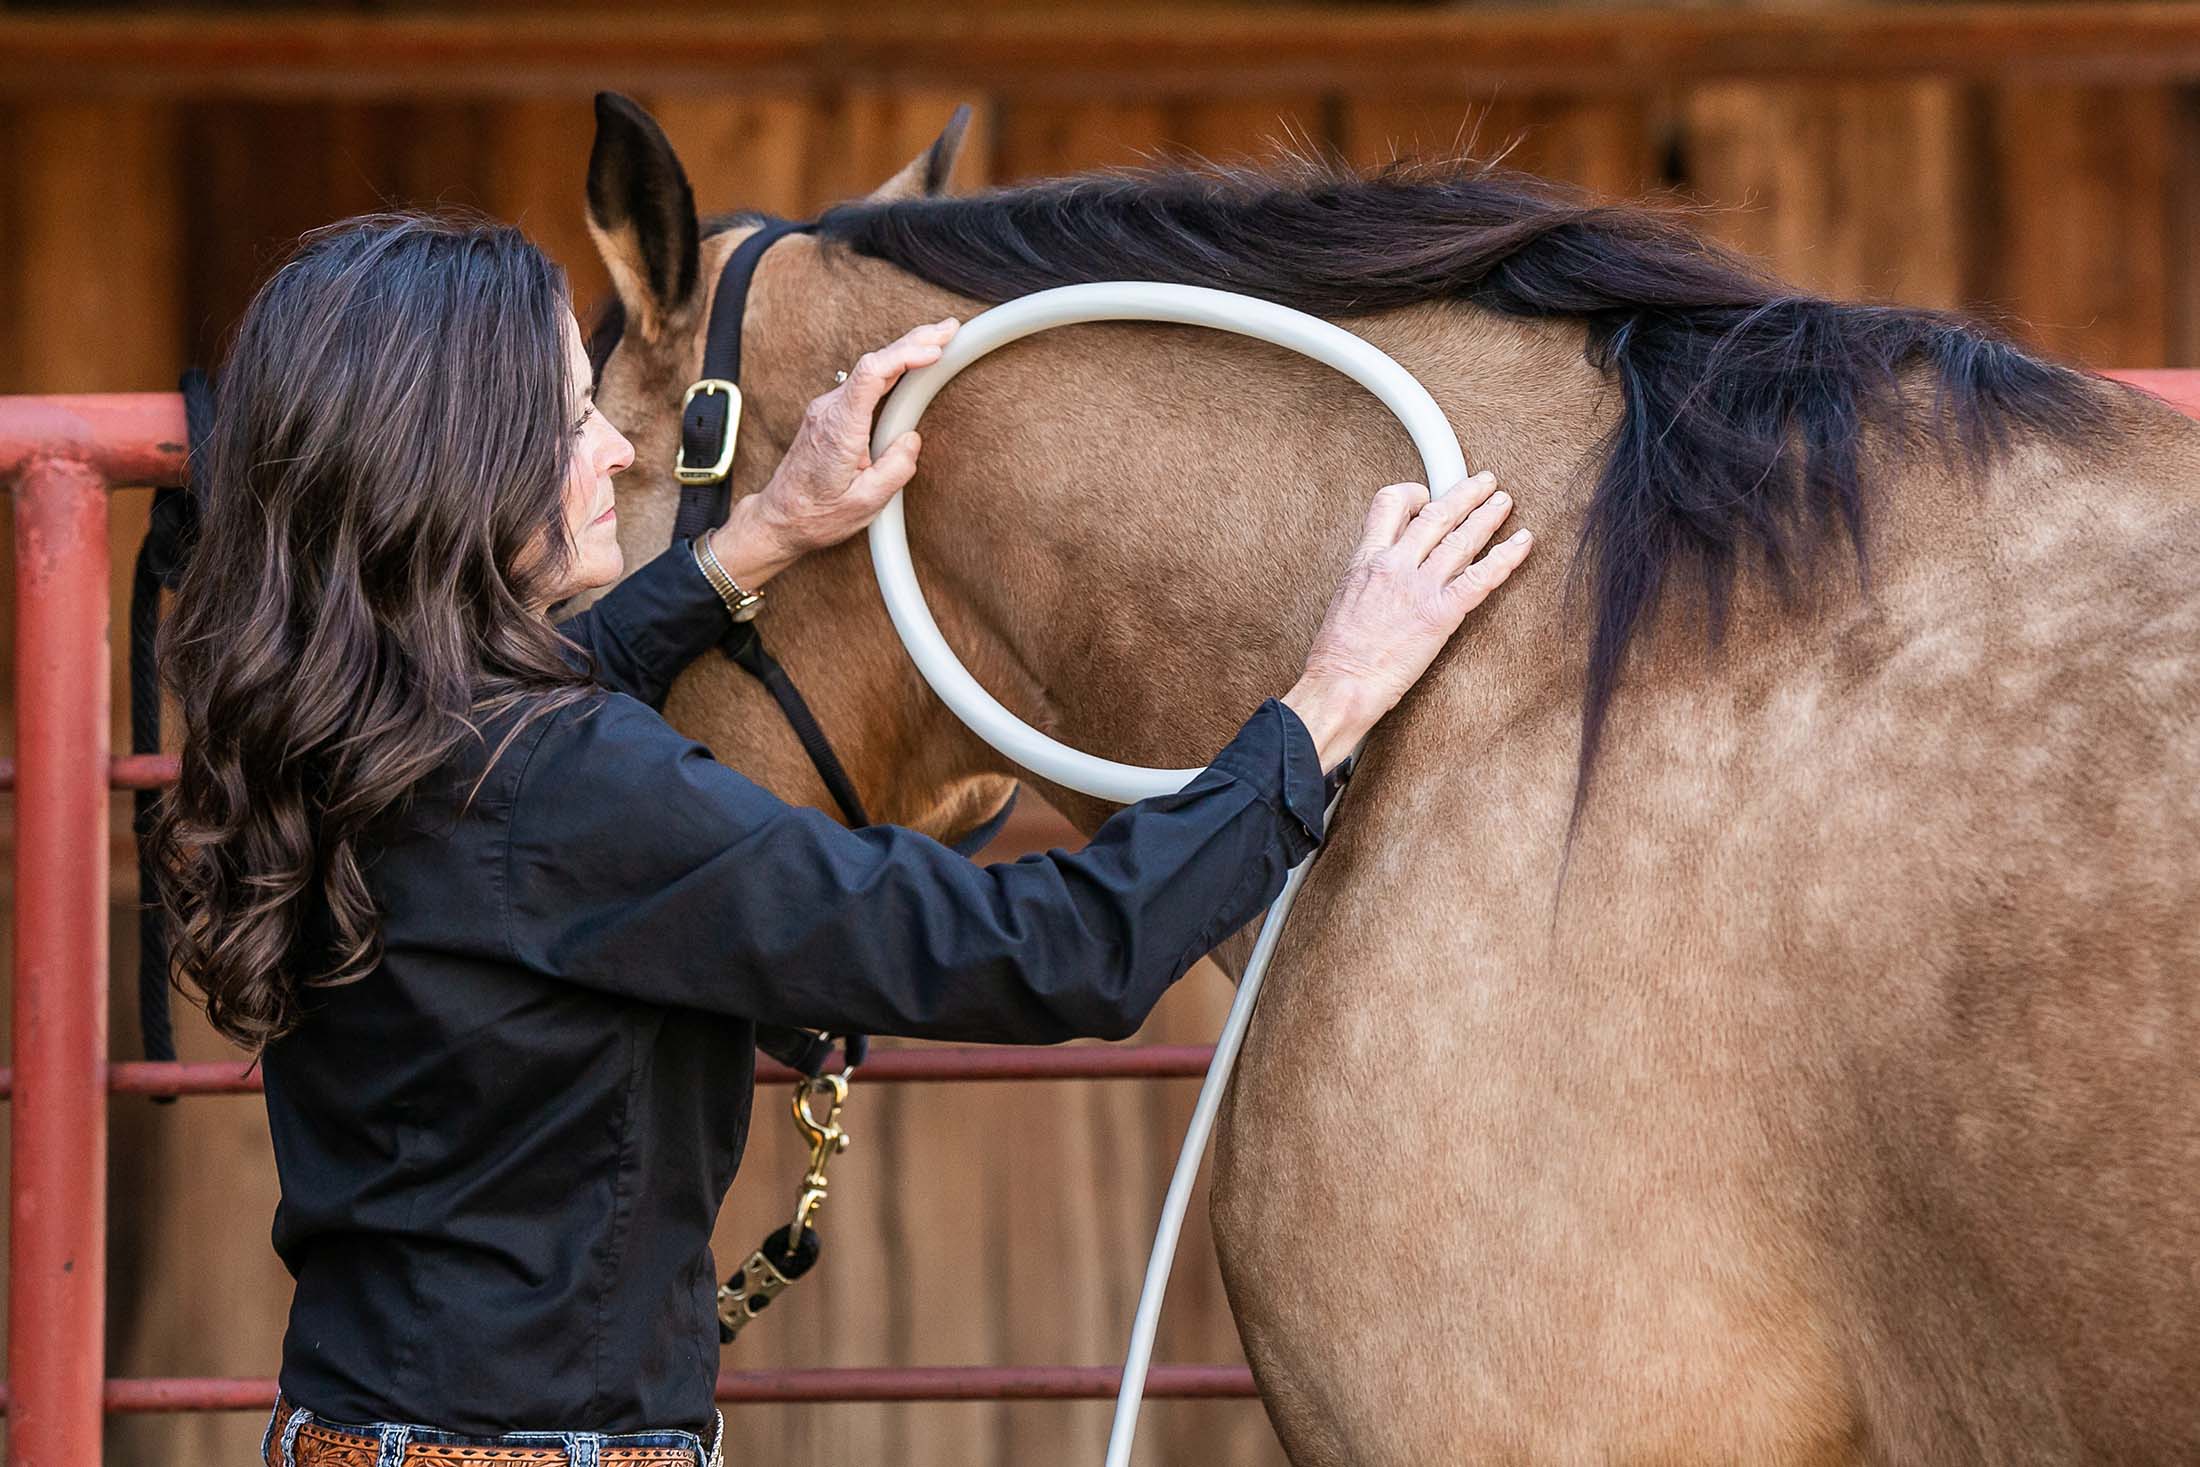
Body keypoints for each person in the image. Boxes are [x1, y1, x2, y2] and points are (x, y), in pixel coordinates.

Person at [150, 210, 1533, 1467]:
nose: (618, 452)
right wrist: (1325, 703)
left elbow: (523, 745)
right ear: (458, 470)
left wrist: (754, 540)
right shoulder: (572, 790)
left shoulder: (341, 722)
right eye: (574, 420)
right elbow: (1053, 952)